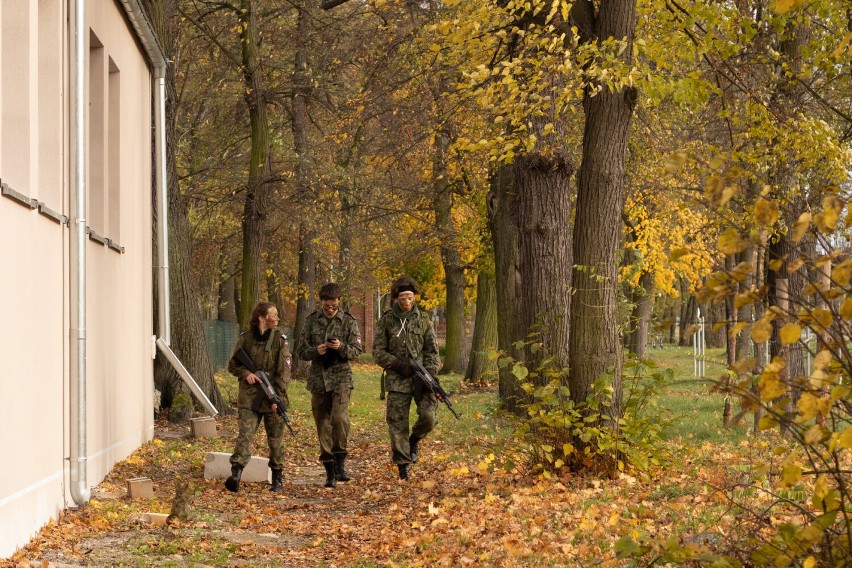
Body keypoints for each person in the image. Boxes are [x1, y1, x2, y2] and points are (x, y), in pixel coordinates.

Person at [372, 276, 441, 480]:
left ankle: (414, 440)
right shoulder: (387, 320)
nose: (407, 302)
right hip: (397, 379)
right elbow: (377, 351)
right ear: (396, 298)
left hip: (421, 378)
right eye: (403, 298)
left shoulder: (424, 319)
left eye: (410, 297)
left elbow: (432, 351)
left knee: (429, 418)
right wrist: (396, 364)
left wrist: (430, 374)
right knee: (397, 423)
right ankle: (403, 465)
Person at [297, 283, 363, 488]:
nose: (330, 309)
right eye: (327, 306)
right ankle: (329, 470)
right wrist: (316, 350)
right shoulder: (311, 322)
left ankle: (340, 462)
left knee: (339, 419)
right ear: (321, 303)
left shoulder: (349, 322)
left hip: (341, 378)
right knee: (322, 423)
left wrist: (341, 347)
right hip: (318, 379)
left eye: (334, 306)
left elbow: (357, 351)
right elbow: (301, 350)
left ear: (339, 302)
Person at [224, 301, 291, 493]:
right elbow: (233, 365)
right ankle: (235, 474)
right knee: (245, 435)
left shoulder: (280, 340)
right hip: (250, 396)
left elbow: (284, 373)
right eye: (273, 315)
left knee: (276, 438)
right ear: (262, 318)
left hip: (273, 394)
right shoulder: (245, 339)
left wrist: (276, 398)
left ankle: (277, 476)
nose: (277, 318)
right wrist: (246, 374)